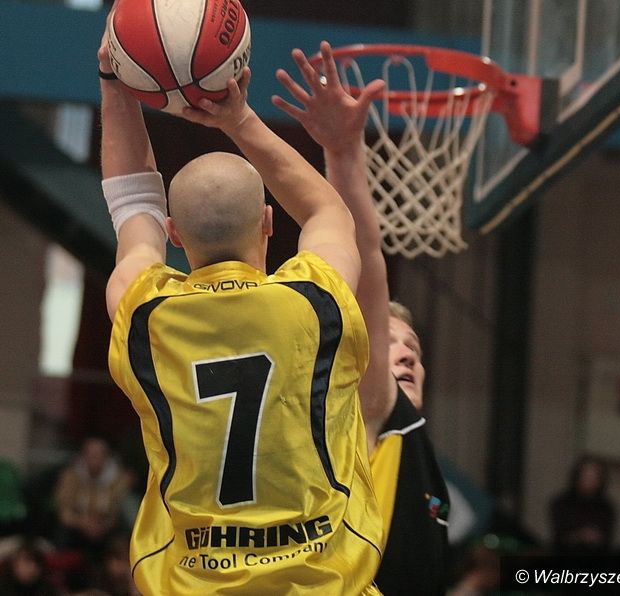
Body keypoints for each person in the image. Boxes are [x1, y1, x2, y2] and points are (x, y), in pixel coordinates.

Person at [97, 16, 382, 596]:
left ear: (175, 235)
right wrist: (237, 118)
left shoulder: (146, 313)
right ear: (269, 222)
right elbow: (328, 211)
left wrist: (114, 80)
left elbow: (131, 205)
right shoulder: (317, 302)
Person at [274, 42, 450, 595]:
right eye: (390, 342)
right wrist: (344, 154)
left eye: (413, 348)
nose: (405, 353)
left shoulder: (412, 447)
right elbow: (369, 262)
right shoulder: (370, 407)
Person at [53, 437, 133, 556]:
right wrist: (83, 523)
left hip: (106, 528)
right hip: (77, 525)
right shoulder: (71, 477)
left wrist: (101, 525)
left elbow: (118, 511)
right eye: (89, 455)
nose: (93, 459)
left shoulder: (119, 480)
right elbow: (64, 511)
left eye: (98, 455)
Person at [549, 454, 616, 556]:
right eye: (586, 475)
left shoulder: (607, 507)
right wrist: (580, 536)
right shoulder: (561, 503)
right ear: (577, 476)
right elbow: (560, 536)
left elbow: (607, 540)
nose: (589, 480)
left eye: (594, 476)